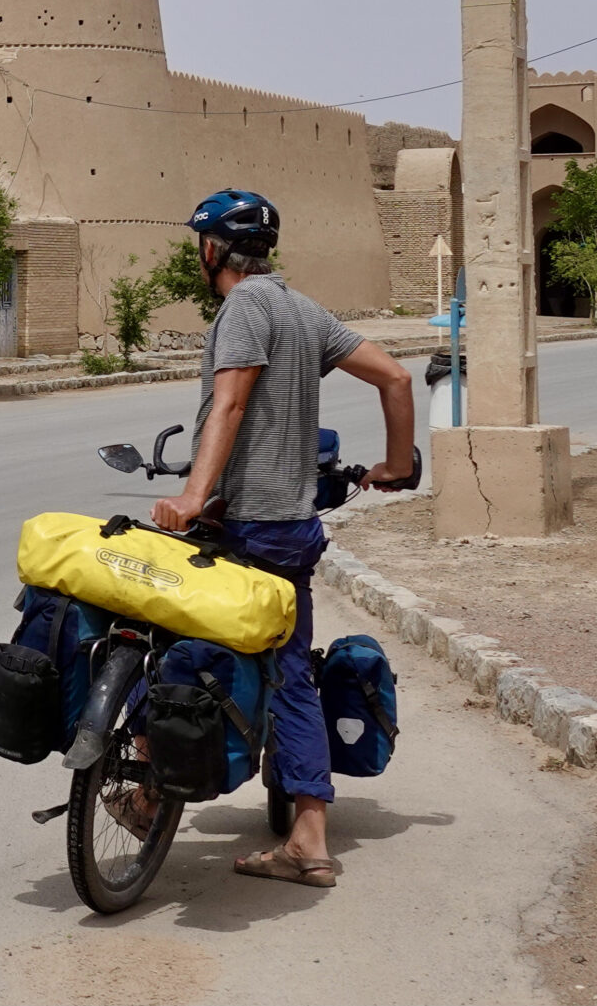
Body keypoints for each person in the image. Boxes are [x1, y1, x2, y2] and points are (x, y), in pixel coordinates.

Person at [147, 188, 417, 889]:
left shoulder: (243, 307)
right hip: (296, 526)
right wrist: (395, 463)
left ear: (212, 250)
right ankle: (308, 838)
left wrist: (192, 495)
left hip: (245, 523)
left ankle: (149, 790)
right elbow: (394, 375)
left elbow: (231, 402)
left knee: (173, 639)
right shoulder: (302, 310)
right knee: (292, 672)